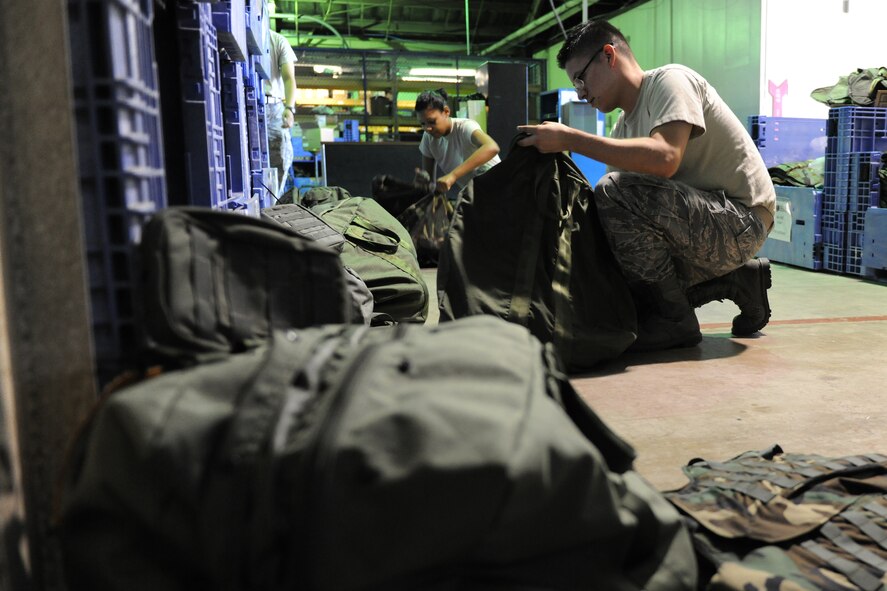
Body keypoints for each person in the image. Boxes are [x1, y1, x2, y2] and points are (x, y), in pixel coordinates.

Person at [517, 20, 775, 352]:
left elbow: (665, 158)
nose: (580, 92)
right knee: (617, 267)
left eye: (580, 79)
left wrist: (570, 139)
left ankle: (674, 321)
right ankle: (739, 281)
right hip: (701, 229)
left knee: (612, 190)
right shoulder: (623, 128)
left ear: (608, 55)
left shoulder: (671, 81)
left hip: (742, 222)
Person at [415, 89, 501, 199]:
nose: (427, 128)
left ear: (446, 112)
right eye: (423, 123)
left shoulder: (465, 127)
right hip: (476, 197)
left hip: (500, 191)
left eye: (432, 121)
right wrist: (422, 183)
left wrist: (453, 175)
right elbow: (430, 183)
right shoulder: (428, 138)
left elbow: (492, 147)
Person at [264, 30, 297, 198]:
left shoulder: (277, 40)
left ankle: (272, 207)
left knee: (281, 161)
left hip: (273, 108)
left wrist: (289, 108)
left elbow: (289, 78)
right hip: (245, 103)